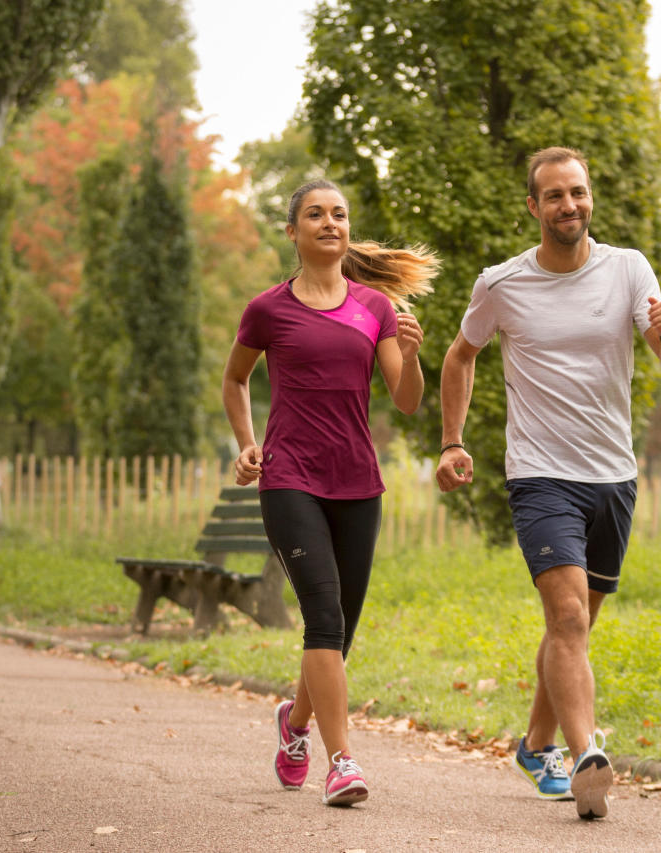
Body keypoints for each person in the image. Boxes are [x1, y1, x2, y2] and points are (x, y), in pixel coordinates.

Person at [434, 147, 661, 820]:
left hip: (614, 476)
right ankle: (587, 755)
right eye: (553, 195)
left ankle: (536, 743)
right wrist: (452, 440)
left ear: (589, 197)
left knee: (572, 627)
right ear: (533, 206)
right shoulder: (503, 283)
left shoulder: (629, 268)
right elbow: (461, 355)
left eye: (577, 191)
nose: (568, 205)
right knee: (568, 616)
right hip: (541, 475)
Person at [222, 179, 436, 807]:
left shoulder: (376, 308)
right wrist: (246, 441)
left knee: (339, 632)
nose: (329, 222)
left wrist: (415, 355)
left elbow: (406, 398)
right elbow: (235, 381)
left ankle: (294, 727)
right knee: (322, 612)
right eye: (314, 214)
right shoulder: (268, 309)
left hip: (358, 480)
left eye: (339, 214)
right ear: (293, 232)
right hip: (290, 476)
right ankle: (341, 762)